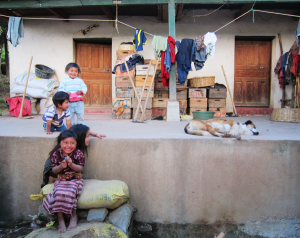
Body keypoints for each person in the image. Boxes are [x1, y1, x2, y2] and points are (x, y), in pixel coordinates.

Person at [43, 130, 85, 233]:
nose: (69, 146)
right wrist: (61, 166)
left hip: (75, 179)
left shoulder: (78, 153)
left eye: (72, 143)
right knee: (57, 194)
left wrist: (71, 165)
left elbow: (80, 168)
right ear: (60, 143)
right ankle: (61, 220)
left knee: (71, 194)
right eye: (66, 143)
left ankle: (73, 217)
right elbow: (54, 170)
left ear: (76, 143)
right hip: (61, 179)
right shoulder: (56, 154)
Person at [41, 125, 106, 187]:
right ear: (80, 137)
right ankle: (53, 179)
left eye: (89, 135)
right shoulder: (64, 150)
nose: (89, 138)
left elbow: (81, 131)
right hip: (54, 171)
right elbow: (54, 169)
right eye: (87, 136)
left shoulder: (76, 150)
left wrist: (95, 134)